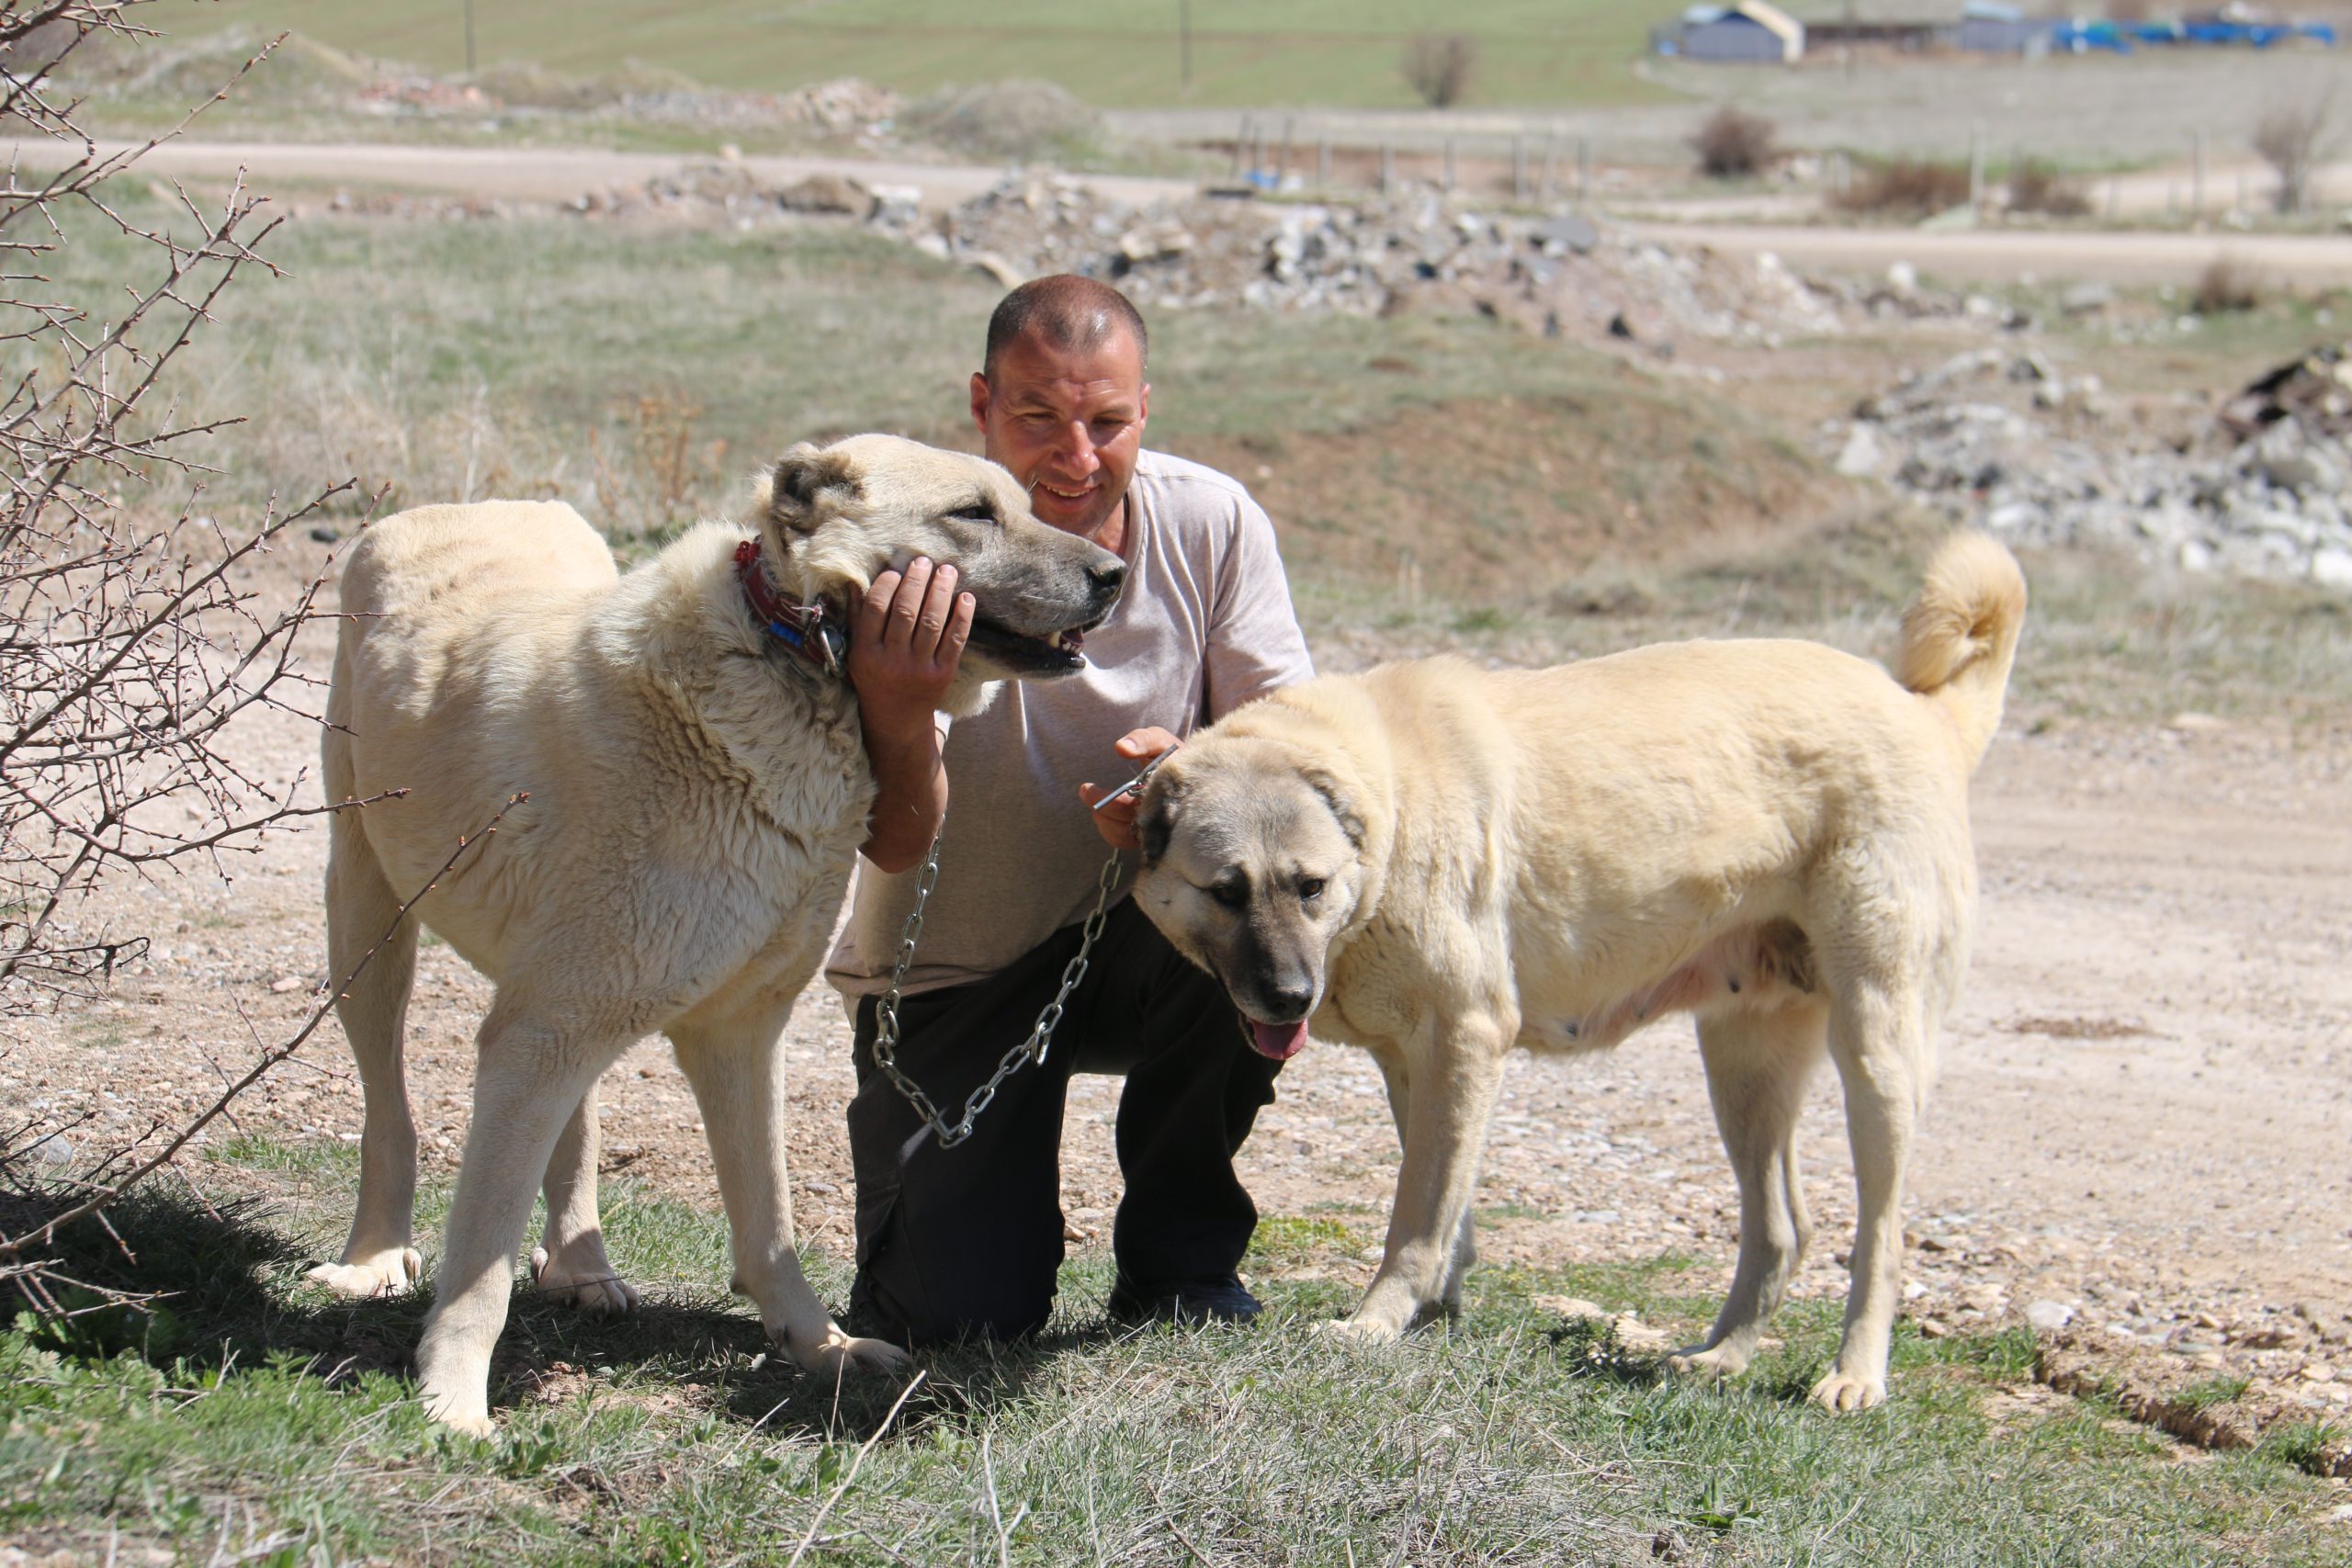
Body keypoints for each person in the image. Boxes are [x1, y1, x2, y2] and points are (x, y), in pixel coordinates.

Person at [825, 274, 1315, 1345]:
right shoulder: (923, 542)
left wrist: (1183, 791)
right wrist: (899, 715)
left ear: (1146, 411)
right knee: (953, 1323)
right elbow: (896, 839)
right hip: (953, 969)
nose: (1075, 458)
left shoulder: (1211, 521)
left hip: (1146, 948)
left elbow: (1292, 766)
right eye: (1038, 418)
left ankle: (1182, 1267)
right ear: (981, 406)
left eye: (1107, 422)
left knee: (1256, 914)